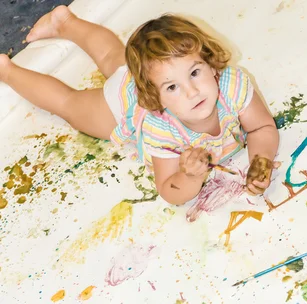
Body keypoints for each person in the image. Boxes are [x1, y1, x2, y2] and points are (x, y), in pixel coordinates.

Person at [0, 7, 279, 206]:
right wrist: (191, 177)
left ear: (211, 64)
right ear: (157, 99)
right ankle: (8, 71)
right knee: (69, 104)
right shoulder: (161, 127)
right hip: (120, 106)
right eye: (173, 88)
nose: (192, 91)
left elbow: (262, 127)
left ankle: (65, 21)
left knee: (114, 58)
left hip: (147, 77)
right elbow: (169, 190)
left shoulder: (232, 85)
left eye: (194, 72)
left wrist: (261, 160)